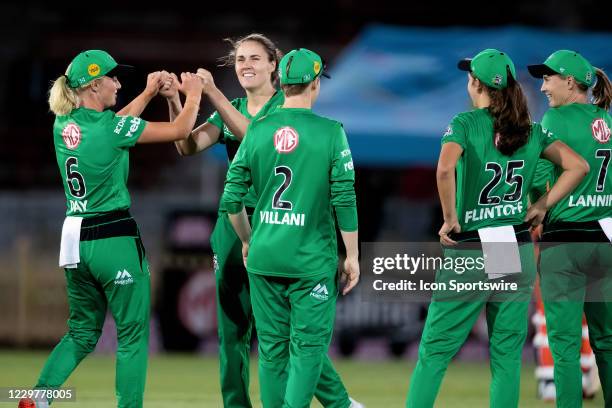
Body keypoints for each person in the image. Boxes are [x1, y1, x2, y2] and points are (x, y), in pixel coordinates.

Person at [170, 35, 360, 408]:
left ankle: (339, 401)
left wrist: (214, 94)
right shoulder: (239, 107)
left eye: (255, 57)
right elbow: (187, 146)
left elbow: (253, 134)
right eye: (239, 58)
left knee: (288, 336)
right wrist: (177, 99)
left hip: (273, 223)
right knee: (233, 330)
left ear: (276, 65)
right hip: (237, 222)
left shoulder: (280, 106)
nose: (245, 64)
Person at [20, 49, 203, 408]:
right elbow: (181, 130)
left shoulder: (64, 125)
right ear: (92, 85)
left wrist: (148, 94)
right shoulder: (110, 129)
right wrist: (193, 91)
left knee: (82, 332)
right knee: (133, 335)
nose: (118, 83)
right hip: (112, 236)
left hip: (74, 239)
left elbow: (114, 127)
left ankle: (39, 398)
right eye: (112, 77)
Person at [405, 49, 588, 408]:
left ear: (476, 83)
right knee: (505, 357)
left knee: (435, 352)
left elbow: (444, 169)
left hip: (473, 246)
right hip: (512, 245)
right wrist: (540, 207)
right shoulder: (531, 130)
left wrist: (449, 217)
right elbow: (577, 166)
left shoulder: (466, 123)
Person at [527, 49, 612, 407]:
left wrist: (535, 206)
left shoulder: (554, 120)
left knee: (564, 347)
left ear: (571, 82)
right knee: (607, 341)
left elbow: (540, 178)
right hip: (606, 243)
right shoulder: (607, 121)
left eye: (549, 78)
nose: (543, 86)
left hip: (565, 244)